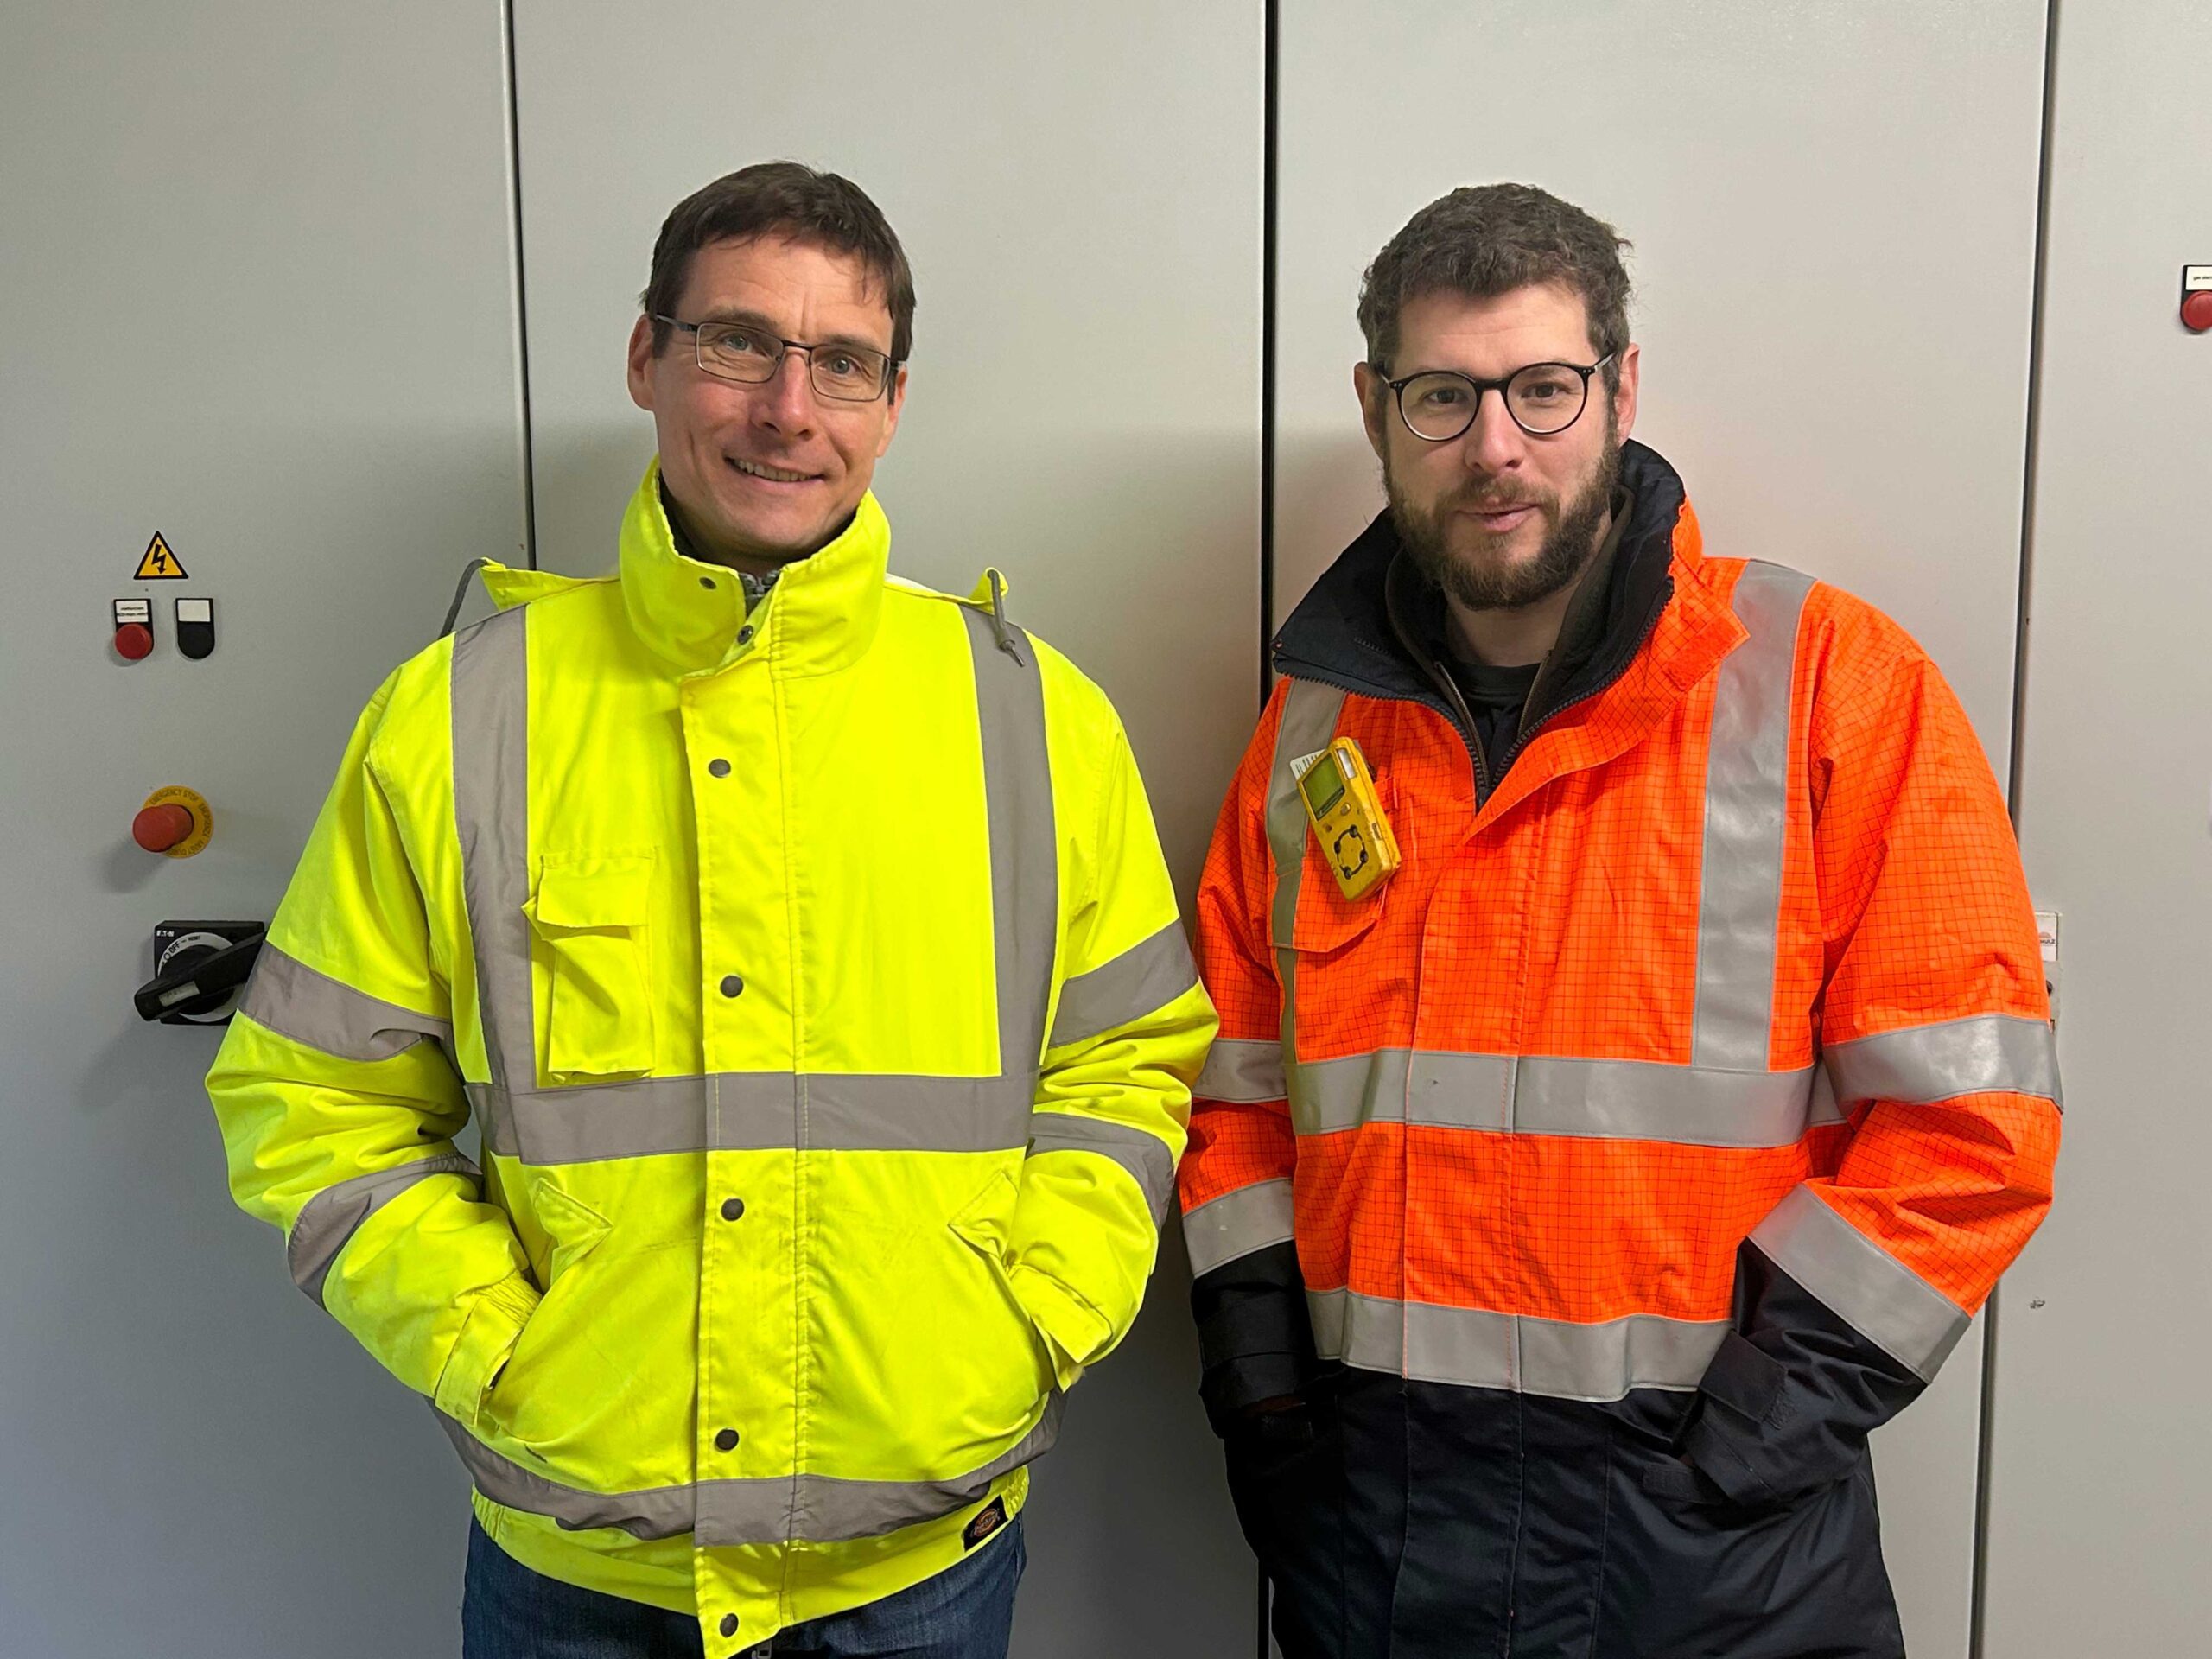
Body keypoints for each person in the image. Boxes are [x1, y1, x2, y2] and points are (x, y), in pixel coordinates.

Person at [207, 161, 1215, 1658]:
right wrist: (500, 1353)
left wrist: (1029, 1326)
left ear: (892, 401)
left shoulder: (1030, 716)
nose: (788, 409)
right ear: (647, 356)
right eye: (739, 342)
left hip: (919, 1568)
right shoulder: (460, 713)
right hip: (578, 1574)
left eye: (843, 362)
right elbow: (309, 1101)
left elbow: (1130, 1065)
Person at [1177, 182, 2060, 1658]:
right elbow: (1234, 1095)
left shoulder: (1829, 685)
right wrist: (1264, 1401)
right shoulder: (1312, 728)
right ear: (1377, 409)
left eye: (1543, 387)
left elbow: (1972, 1131)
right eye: (1443, 397)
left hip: (1719, 1570)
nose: (1496, 447)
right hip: (1378, 1545)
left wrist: (1750, 1447)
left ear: (1622, 388)